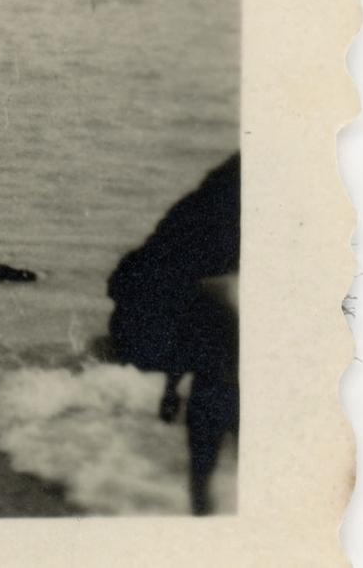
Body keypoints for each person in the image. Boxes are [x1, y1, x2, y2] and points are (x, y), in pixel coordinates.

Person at [107, 155, 238, 514]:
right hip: (233, 395)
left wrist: (170, 392)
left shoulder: (206, 299)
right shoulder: (229, 303)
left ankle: (207, 523)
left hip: (206, 394)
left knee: (201, 476)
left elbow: (187, 349)